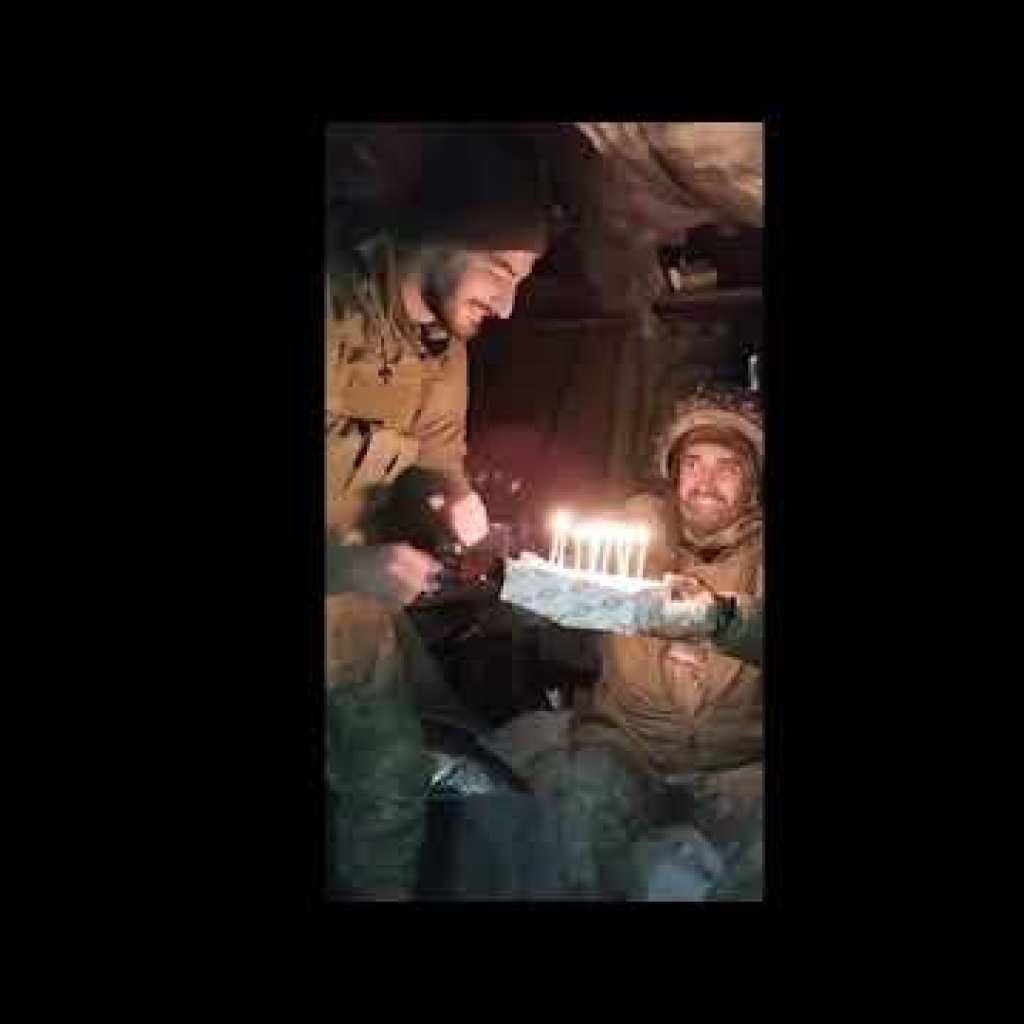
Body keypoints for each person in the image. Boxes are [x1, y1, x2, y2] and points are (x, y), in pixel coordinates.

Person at [324, 130, 553, 899]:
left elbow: (435, 458)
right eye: (502, 271)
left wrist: (456, 504)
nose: (509, 305)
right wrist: (346, 564)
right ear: (445, 235)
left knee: (389, 778)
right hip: (341, 574)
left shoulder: (442, 350)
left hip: (350, 618)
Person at [493, 386, 765, 900]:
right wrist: (541, 600)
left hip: (740, 765)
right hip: (629, 750)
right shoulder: (635, 536)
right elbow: (571, 618)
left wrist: (720, 617)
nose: (705, 483)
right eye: (693, 465)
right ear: (673, 472)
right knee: (575, 809)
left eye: (726, 468)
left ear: (752, 480)